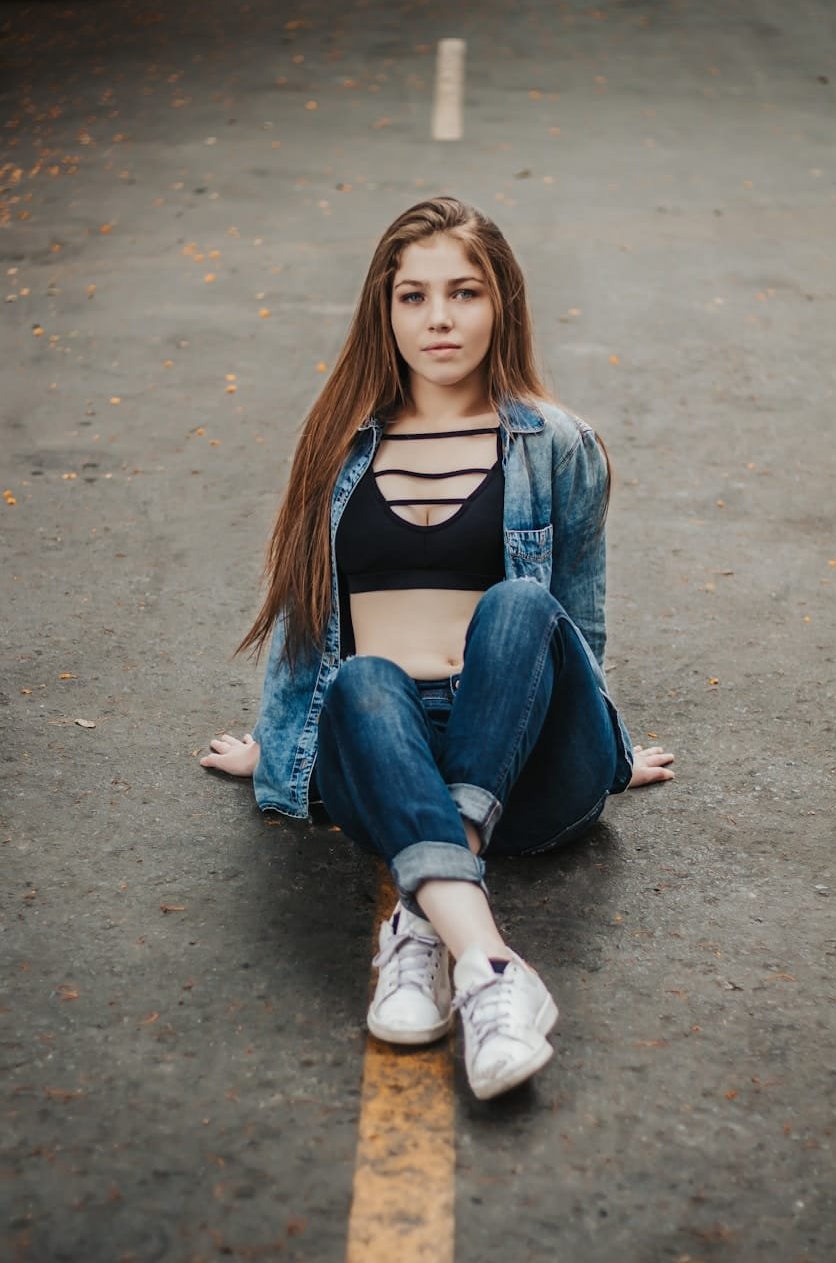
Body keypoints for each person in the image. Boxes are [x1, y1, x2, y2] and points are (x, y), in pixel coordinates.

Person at [201, 196, 674, 1101]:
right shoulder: (338, 447)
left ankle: (425, 914)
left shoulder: (556, 444)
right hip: (387, 749)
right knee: (362, 679)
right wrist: (285, 754)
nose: (440, 319)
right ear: (384, 311)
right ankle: (491, 970)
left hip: (523, 762)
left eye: (464, 292)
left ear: (502, 305)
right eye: (412, 296)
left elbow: (576, 620)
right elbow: (310, 620)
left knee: (520, 602)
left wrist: (604, 749)